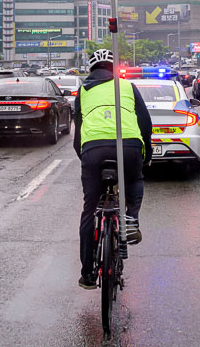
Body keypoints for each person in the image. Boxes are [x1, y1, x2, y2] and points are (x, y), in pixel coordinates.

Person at [72, 48, 152, 290]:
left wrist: (84, 157)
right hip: (128, 147)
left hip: (93, 150)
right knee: (135, 180)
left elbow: (78, 129)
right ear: (114, 69)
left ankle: (88, 274)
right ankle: (131, 219)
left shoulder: (83, 91)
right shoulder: (127, 87)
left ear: (91, 69)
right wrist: (145, 154)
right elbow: (145, 123)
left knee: (89, 210)